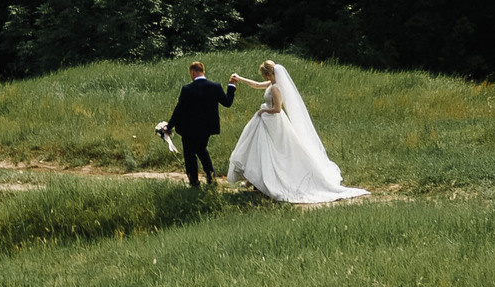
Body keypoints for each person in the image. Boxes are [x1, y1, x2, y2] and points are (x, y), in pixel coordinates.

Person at [223, 60, 366, 204]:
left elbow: (277, 109)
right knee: (260, 149)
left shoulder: (275, 88)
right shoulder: (272, 84)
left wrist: (264, 111)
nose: (263, 77)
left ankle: (261, 180)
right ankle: (254, 180)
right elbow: (256, 85)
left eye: (263, 74)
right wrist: (239, 78)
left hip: (272, 121)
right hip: (266, 121)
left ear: (267, 74)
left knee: (270, 150)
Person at [155, 60, 234, 188]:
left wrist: (168, 127)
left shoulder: (187, 89)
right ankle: (211, 178)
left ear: (192, 73)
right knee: (202, 150)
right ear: (203, 71)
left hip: (189, 129)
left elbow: (179, 110)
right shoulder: (215, 86)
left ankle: (194, 182)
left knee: (190, 155)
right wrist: (231, 86)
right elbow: (227, 102)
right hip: (207, 128)